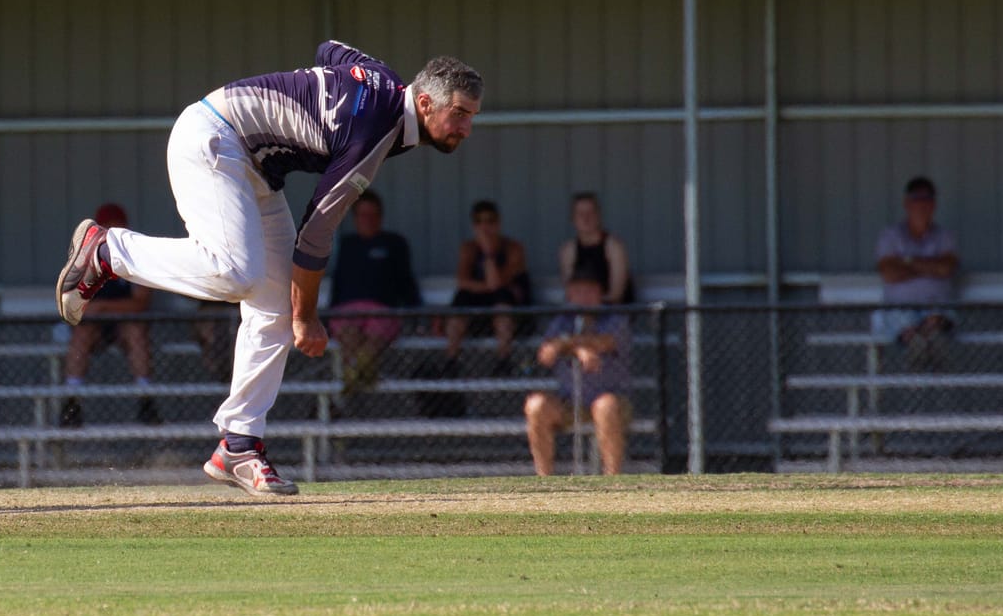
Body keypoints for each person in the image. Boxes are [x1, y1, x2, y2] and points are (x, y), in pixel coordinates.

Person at [55, 42, 483, 495]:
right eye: (459, 113)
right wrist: (308, 318)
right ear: (424, 102)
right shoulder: (375, 129)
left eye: (472, 116)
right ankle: (108, 251)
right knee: (236, 273)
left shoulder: (380, 78)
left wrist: (318, 96)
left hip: (253, 164)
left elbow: (331, 51)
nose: (466, 128)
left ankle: (238, 445)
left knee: (275, 303)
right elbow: (316, 232)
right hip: (214, 137)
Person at [60, 202, 157, 428]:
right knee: (82, 334)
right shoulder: (85, 258)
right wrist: (98, 310)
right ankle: (72, 403)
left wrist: (103, 308)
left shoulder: (136, 257)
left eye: (117, 229)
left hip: (124, 325)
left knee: (135, 331)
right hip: (94, 327)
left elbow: (140, 303)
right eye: (107, 229)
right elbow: (75, 304)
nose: (112, 236)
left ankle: (146, 400)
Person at [523, 276, 632, 476]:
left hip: (611, 400)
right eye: (578, 291)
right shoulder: (561, 322)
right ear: (570, 295)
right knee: (536, 406)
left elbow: (605, 342)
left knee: (605, 406)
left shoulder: (615, 319)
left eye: (590, 291)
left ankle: (613, 479)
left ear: (601, 293)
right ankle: (544, 479)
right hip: (570, 401)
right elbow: (546, 354)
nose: (584, 297)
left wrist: (565, 344)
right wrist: (579, 350)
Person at [326, 190, 420, 395]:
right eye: (363, 215)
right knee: (349, 333)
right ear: (355, 218)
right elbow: (338, 283)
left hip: (382, 309)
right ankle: (360, 374)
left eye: (373, 215)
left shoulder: (394, 243)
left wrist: (418, 313)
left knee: (375, 336)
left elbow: (406, 281)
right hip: (348, 310)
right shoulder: (348, 245)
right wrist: (326, 316)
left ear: (381, 217)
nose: (368, 220)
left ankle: (354, 376)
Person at [874, 175, 959, 364]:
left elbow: (946, 268)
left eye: (927, 199)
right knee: (907, 326)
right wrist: (930, 266)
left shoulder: (944, 236)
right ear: (907, 203)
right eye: (916, 199)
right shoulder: (891, 236)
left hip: (936, 307)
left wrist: (907, 261)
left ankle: (926, 354)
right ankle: (919, 354)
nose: (922, 205)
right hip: (899, 308)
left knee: (936, 323)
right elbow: (889, 273)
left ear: (934, 204)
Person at [443, 199, 532, 363]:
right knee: (460, 300)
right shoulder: (468, 248)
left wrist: (488, 253)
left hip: (511, 311)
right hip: (477, 310)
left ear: (498, 223)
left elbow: (497, 282)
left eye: (490, 221)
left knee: (502, 302)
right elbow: (462, 282)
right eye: (479, 221)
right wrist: (486, 286)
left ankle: (504, 360)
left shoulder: (513, 248)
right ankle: (450, 360)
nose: (485, 227)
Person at [556, 191, 634, 305]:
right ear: (573, 218)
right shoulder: (568, 250)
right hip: (580, 309)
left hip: (612, 309)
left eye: (590, 212)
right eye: (580, 214)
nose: (586, 218)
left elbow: (616, 294)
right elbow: (570, 292)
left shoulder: (614, 247)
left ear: (598, 216)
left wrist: (592, 304)